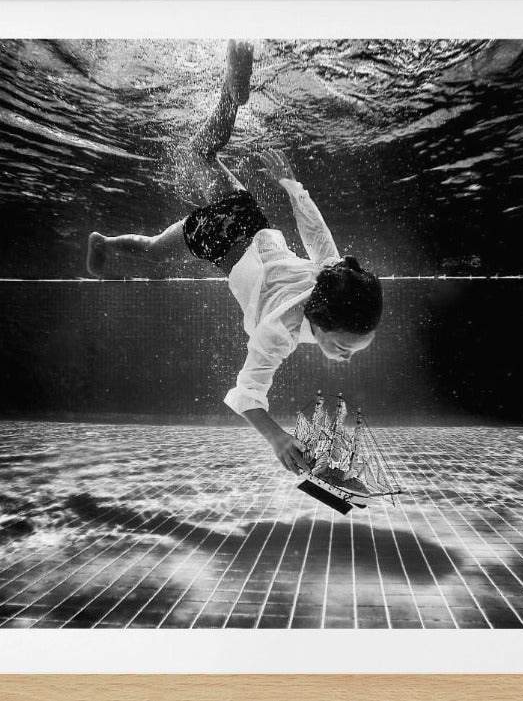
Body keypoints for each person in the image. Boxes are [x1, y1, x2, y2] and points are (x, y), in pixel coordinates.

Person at [86, 40, 383, 475]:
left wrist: (291, 185)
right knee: (178, 192)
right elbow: (247, 396)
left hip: (246, 219)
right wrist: (278, 438)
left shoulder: (331, 277)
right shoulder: (279, 332)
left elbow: (318, 235)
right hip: (219, 241)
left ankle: (106, 243)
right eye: (341, 345)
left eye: (354, 350)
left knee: (168, 220)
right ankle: (229, 95)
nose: (344, 357)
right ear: (317, 322)